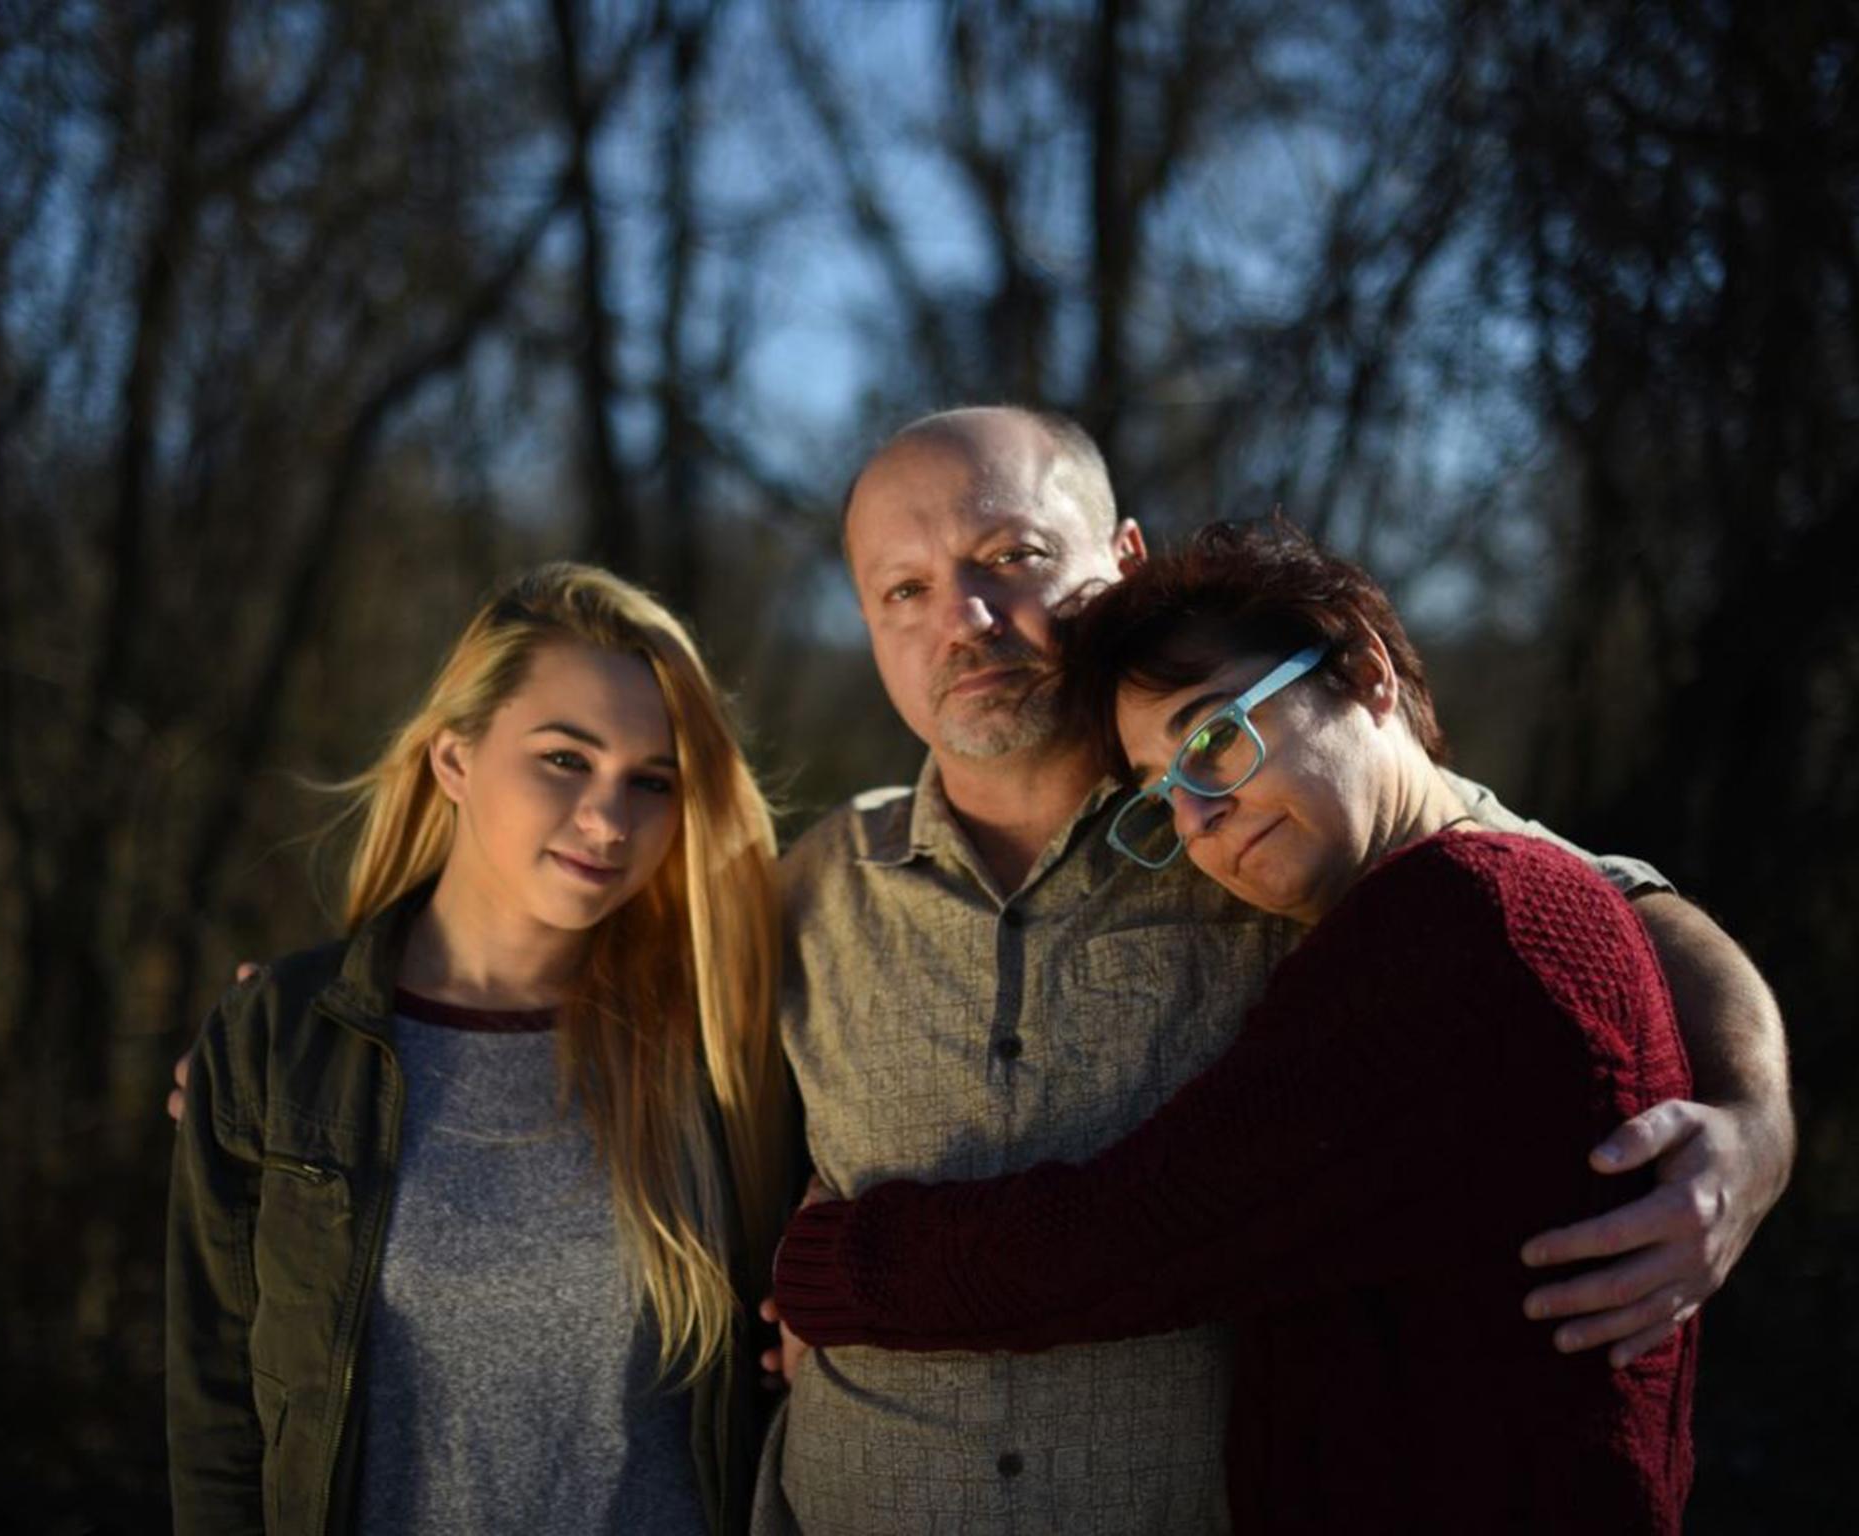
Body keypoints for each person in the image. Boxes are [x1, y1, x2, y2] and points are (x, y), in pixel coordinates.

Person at [752, 405, 1788, 1535]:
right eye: (903, 589)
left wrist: (1754, 1116)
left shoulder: (1280, 833)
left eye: (1012, 557)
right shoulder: (816, 884)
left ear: (1120, 562)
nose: (965, 616)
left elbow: (1594, 905)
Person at [166, 564, 791, 1536]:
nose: (607, 820)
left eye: (651, 782)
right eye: (562, 759)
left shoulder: (718, 1038)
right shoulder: (285, 1042)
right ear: (453, 760)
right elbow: (217, 1419)